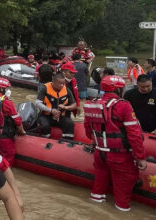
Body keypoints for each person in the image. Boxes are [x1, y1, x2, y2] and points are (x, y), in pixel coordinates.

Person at [84, 75, 146, 212]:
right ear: (119, 90)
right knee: (123, 194)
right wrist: (140, 157)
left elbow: (88, 131)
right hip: (120, 157)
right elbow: (134, 135)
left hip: (100, 153)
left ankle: (94, 211)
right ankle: (121, 219)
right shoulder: (123, 105)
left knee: (98, 188)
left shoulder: (92, 103)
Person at [33, 72, 77, 138]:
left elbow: (74, 105)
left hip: (61, 116)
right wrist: (51, 110)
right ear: (53, 82)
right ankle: (44, 139)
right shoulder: (45, 89)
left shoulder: (67, 90)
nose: (62, 85)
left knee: (69, 124)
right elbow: (37, 103)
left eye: (63, 83)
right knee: (44, 126)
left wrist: (66, 107)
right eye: (60, 83)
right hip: (46, 115)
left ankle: (67, 141)